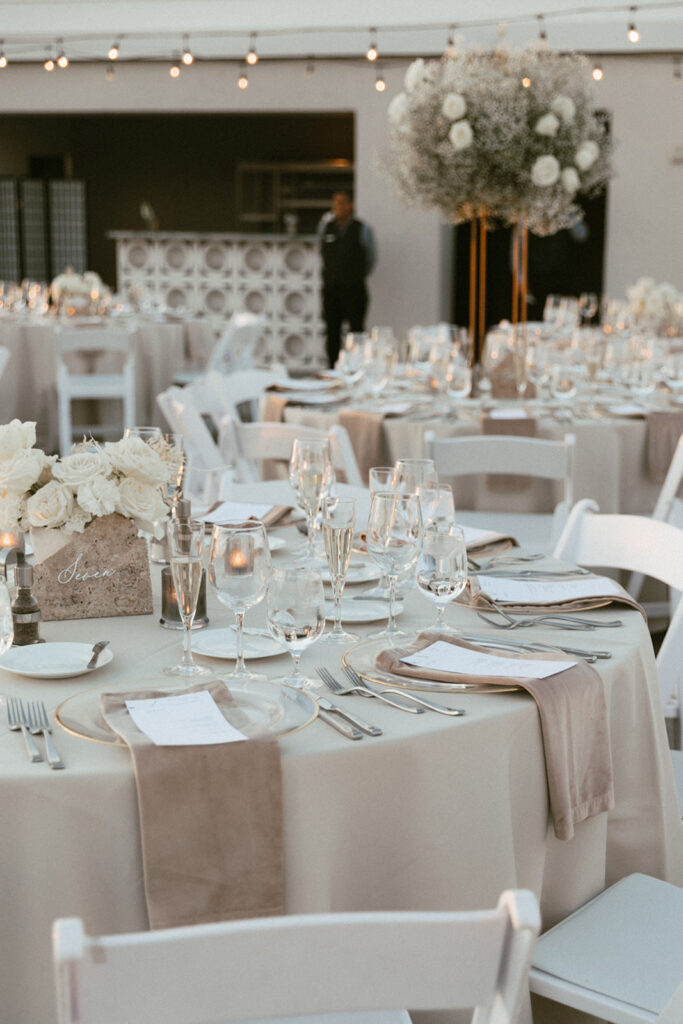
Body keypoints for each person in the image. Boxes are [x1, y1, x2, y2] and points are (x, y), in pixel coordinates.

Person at [318, 190, 376, 367]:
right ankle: (332, 368)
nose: (338, 207)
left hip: (354, 289)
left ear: (351, 205)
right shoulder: (326, 227)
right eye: (335, 203)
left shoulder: (362, 229)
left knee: (356, 332)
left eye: (343, 202)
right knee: (332, 331)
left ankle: (356, 367)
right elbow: (321, 251)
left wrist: (354, 275)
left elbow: (371, 258)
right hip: (331, 289)